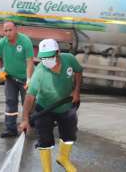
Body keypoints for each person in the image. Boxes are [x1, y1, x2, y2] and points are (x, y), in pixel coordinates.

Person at [19, 39, 82, 172]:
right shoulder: (40, 72)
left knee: (69, 135)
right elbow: (30, 97)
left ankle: (63, 159)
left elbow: (78, 71)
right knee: (45, 139)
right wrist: (25, 119)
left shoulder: (69, 59)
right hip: (45, 108)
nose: (46, 60)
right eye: (43, 58)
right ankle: (47, 170)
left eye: (50, 56)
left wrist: (76, 91)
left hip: (66, 105)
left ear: (58, 52)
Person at [0, 21, 34, 138]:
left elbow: (29, 61)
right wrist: (0, 70)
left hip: (24, 78)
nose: (7, 33)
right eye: (5, 31)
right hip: (10, 78)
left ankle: (29, 126)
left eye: (10, 30)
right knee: (10, 102)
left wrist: (29, 79)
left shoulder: (25, 41)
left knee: (28, 104)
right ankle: (10, 129)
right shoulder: (3, 42)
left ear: (16, 29)